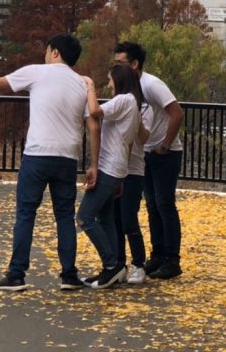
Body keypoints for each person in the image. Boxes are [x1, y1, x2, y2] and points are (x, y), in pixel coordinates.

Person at [0, 34, 97, 292]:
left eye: (47, 50)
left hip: (38, 154)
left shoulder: (38, 72)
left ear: (55, 52)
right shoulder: (81, 83)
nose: (45, 55)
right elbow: (93, 122)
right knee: (65, 217)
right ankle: (69, 275)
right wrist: (94, 163)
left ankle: (17, 274)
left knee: (26, 214)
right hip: (68, 156)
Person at [113, 41, 184, 279]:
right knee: (152, 205)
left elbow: (177, 112)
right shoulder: (128, 87)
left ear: (134, 64)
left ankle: (172, 260)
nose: (116, 68)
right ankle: (158, 255)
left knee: (165, 204)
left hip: (165, 153)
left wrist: (165, 144)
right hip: (147, 153)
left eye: (120, 63)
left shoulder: (151, 84)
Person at [78, 62, 143, 289]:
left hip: (108, 167)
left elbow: (95, 111)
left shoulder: (124, 100)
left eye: (110, 79)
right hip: (116, 168)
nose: (108, 83)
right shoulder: (132, 103)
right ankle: (115, 267)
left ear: (119, 79)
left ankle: (111, 265)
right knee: (106, 219)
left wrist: (90, 87)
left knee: (85, 217)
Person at [114, 100, 152, 284]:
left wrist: (135, 118)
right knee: (115, 220)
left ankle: (139, 264)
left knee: (128, 219)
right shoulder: (116, 104)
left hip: (133, 171)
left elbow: (143, 138)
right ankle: (119, 265)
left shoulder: (144, 108)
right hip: (114, 169)